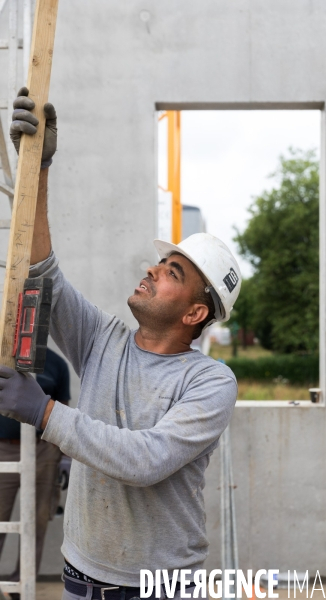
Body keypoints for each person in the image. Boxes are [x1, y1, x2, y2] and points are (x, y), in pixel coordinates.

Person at [0, 88, 242, 600]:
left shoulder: (210, 382)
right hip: (80, 575)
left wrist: (45, 414)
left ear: (195, 312)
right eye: (160, 262)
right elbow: (44, 274)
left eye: (172, 271)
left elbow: (145, 460)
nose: (152, 270)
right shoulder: (103, 338)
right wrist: (38, 169)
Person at [0, 347, 70, 599]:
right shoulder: (1, 355)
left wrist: (62, 456)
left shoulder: (54, 363)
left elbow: (62, 407)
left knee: (37, 520)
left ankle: (22, 583)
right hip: (3, 448)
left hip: (43, 450)